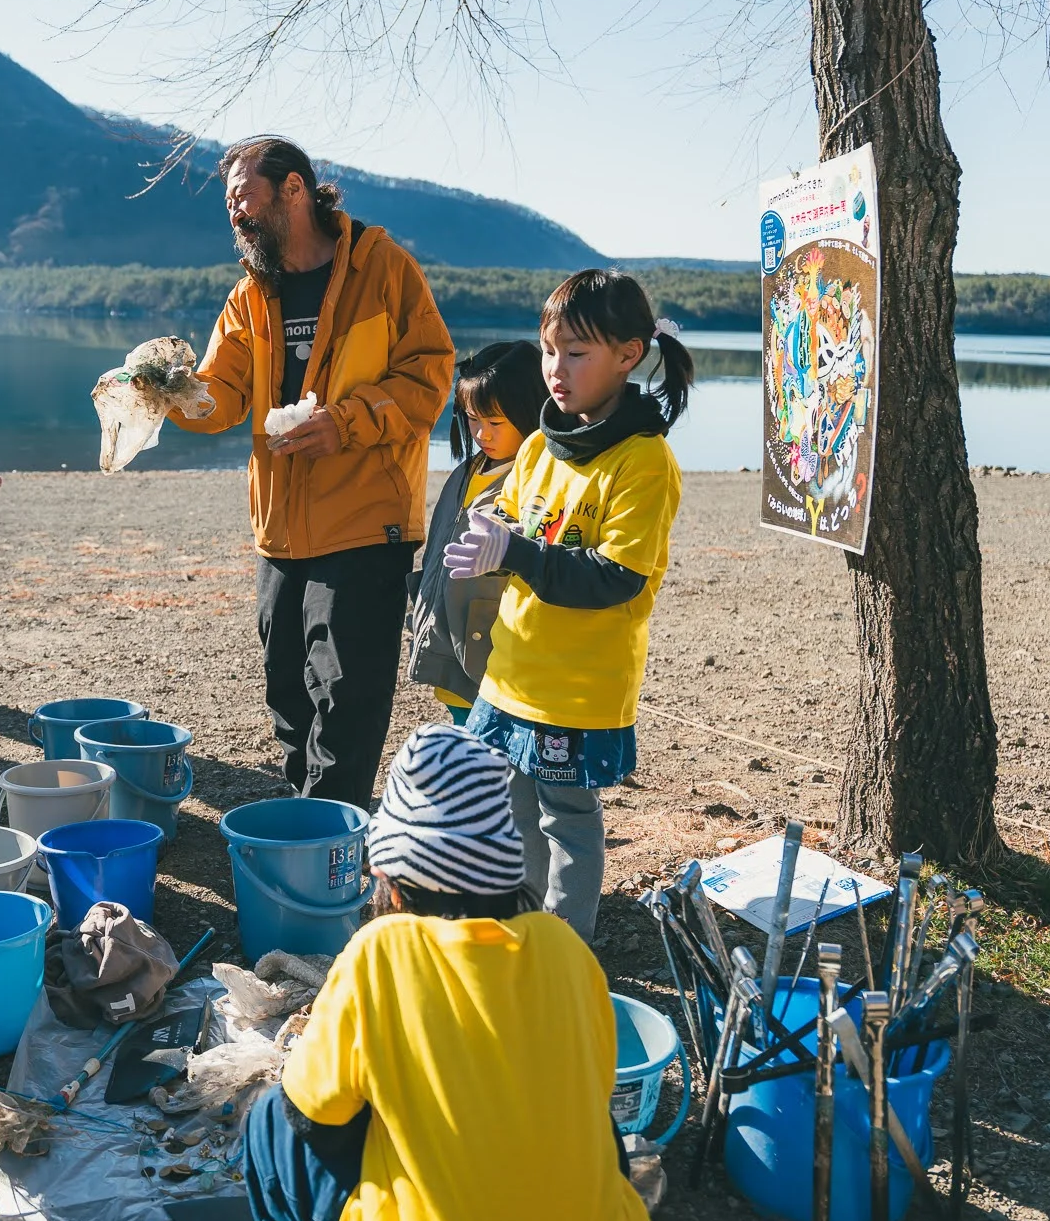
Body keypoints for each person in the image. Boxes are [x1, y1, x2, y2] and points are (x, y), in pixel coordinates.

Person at [243, 724, 653, 1221]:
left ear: (391, 872)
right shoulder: (564, 947)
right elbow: (591, 1097)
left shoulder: (382, 952)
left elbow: (310, 1113)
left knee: (269, 1123)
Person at [168, 137, 454, 805]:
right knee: (288, 700)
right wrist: (168, 391)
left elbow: (430, 372)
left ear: (292, 189)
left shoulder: (383, 269)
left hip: (362, 523)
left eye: (242, 195)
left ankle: (331, 846)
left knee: (347, 705)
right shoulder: (249, 297)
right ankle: (314, 836)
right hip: (280, 531)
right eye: (228, 201)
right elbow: (222, 396)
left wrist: (346, 420)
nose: (233, 213)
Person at [442, 269, 693, 944]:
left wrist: (515, 553)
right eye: (550, 349)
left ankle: (565, 951)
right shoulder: (535, 447)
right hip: (511, 672)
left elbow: (616, 578)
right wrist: (491, 541)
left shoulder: (643, 460)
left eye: (577, 352)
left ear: (628, 355)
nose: (556, 368)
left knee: (568, 822)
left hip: (577, 687)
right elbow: (522, 531)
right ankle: (526, 927)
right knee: (510, 806)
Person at [406, 341, 548, 726]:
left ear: (531, 409)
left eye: (496, 422)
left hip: (494, 663)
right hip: (448, 646)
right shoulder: (464, 473)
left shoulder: (538, 482)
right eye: (472, 419)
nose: (483, 433)